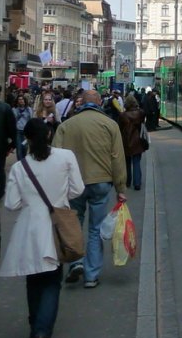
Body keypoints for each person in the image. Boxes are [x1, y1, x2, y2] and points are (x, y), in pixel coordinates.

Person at [0, 119, 84, 338]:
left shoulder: (20, 166)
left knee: (33, 279)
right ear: (49, 134)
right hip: (56, 226)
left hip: (29, 229)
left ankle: (34, 325)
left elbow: (11, 203)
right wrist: (59, 197)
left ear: (26, 138)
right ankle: (43, 333)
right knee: (51, 281)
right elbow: (77, 189)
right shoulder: (66, 156)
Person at [52, 90, 127, 289]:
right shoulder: (110, 125)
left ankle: (76, 262)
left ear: (80, 103)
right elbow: (117, 158)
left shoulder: (66, 126)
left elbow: (55, 156)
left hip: (73, 184)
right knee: (96, 229)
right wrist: (121, 187)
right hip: (101, 182)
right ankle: (91, 275)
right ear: (99, 103)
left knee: (74, 224)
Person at [118, 95, 148, 191]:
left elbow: (119, 128)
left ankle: (127, 182)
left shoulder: (123, 115)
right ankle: (137, 183)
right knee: (136, 162)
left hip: (126, 141)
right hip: (138, 141)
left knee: (127, 163)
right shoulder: (141, 113)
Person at [12, 94, 33, 160]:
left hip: (26, 131)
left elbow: (31, 119)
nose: (21, 101)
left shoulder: (29, 109)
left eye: (22, 99)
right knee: (19, 148)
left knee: (25, 147)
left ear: (25, 100)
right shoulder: (14, 109)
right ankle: (20, 162)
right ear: (17, 101)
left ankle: (23, 160)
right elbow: (12, 120)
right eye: (19, 99)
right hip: (18, 131)